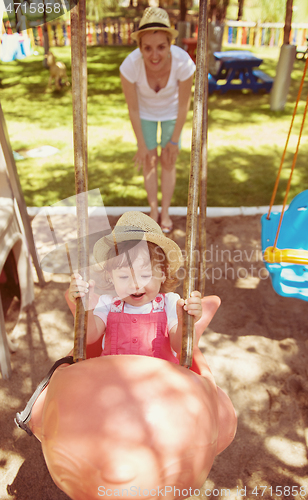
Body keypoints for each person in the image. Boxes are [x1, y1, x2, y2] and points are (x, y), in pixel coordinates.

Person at [67, 211, 202, 362]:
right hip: (113, 378)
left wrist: (185, 323)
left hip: (159, 380)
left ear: (163, 274)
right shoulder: (107, 304)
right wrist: (87, 309)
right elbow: (90, 338)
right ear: (111, 277)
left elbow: (180, 347)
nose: (135, 285)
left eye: (145, 276)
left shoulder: (170, 303)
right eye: (124, 277)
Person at [119, 7, 196, 233]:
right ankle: (153, 211)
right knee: (150, 161)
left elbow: (184, 105)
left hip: (173, 113)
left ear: (170, 45)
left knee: (169, 161)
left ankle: (166, 211)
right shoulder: (129, 66)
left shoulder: (184, 63)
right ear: (140, 48)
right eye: (148, 48)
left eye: (161, 47)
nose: (154, 55)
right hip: (144, 114)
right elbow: (133, 109)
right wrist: (142, 145)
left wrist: (173, 141)